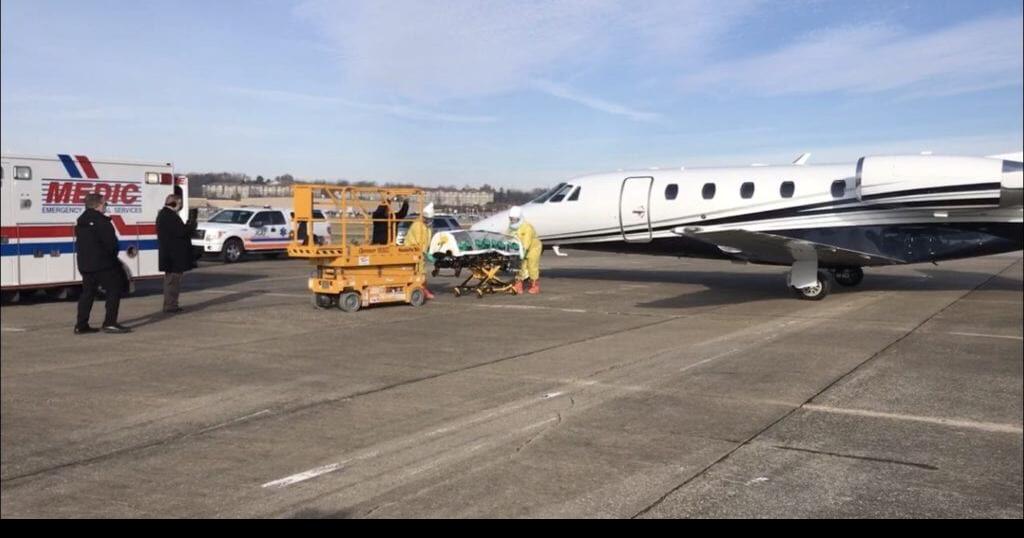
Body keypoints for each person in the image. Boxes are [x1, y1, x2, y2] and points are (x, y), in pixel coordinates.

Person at [74, 193, 131, 334]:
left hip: (85, 264)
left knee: (87, 293)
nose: (106, 206)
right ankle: (110, 322)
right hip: (103, 264)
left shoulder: (81, 221)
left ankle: (81, 324)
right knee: (114, 290)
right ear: (98, 205)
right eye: (105, 204)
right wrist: (113, 257)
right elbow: (111, 244)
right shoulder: (101, 221)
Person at [156, 194, 197, 313]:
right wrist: (191, 226)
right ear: (174, 203)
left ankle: (171, 303)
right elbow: (181, 232)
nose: (180, 206)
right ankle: (171, 305)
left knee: (172, 281)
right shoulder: (169, 216)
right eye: (179, 203)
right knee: (173, 282)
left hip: (171, 255)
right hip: (173, 256)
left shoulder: (165, 215)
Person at [403, 203, 435, 300]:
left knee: (421, 272)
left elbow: (426, 241)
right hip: (412, 252)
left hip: (419, 253)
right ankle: (422, 290)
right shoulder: (418, 225)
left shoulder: (426, 227)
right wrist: (425, 253)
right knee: (419, 272)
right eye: (428, 219)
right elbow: (418, 242)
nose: (430, 221)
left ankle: (422, 289)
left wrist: (427, 251)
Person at [507, 206, 542, 295]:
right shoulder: (511, 227)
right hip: (519, 248)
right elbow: (507, 236)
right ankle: (519, 284)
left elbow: (527, 241)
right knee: (519, 266)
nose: (512, 221)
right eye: (511, 219)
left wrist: (523, 250)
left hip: (533, 248)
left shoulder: (527, 227)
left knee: (532, 266)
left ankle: (535, 285)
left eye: (515, 219)